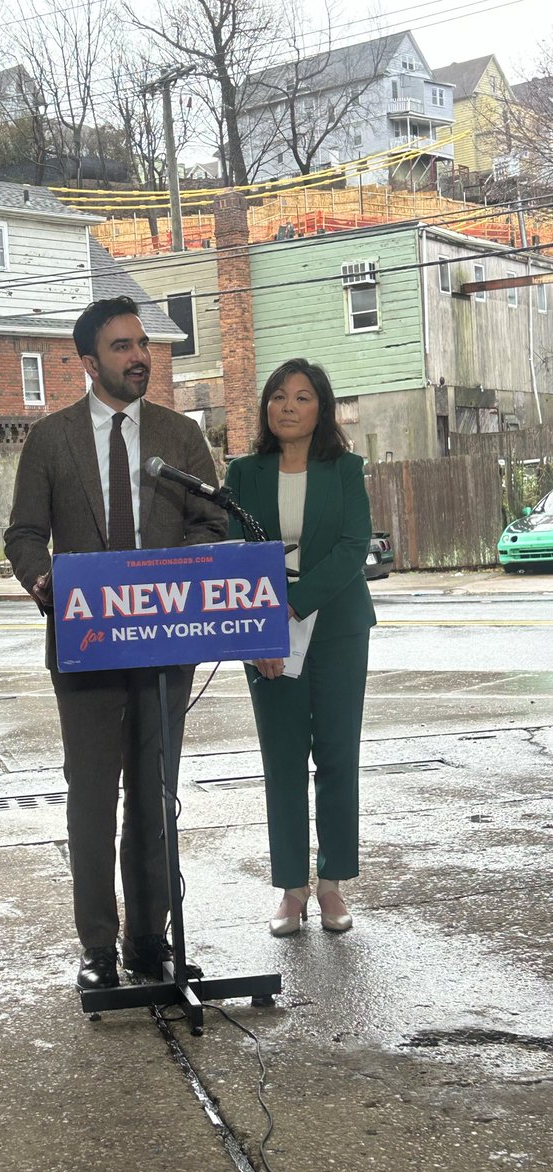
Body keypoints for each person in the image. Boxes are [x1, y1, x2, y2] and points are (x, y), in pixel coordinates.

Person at [4, 296, 227, 990]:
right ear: (89, 360)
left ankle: (149, 941)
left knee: (156, 798)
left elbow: (211, 524)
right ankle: (98, 947)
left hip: (164, 646)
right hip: (86, 645)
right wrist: (42, 578)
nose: (139, 358)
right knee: (93, 801)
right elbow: (22, 534)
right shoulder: (51, 439)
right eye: (124, 347)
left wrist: (175, 576)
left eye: (144, 346)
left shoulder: (179, 435)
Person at [224, 359, 375, 937]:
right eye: (278, 396)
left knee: (337, 754)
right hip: (264, 628)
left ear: (323, 408)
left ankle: (332, 884)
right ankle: (292, 890)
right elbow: (235, 554)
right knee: (282, 759)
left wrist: (293, 603)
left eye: (303, 397)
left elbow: (352, 546)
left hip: (336, 625)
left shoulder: (346, 468)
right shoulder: (243, 473)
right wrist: (263, 624)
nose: (288, 406)